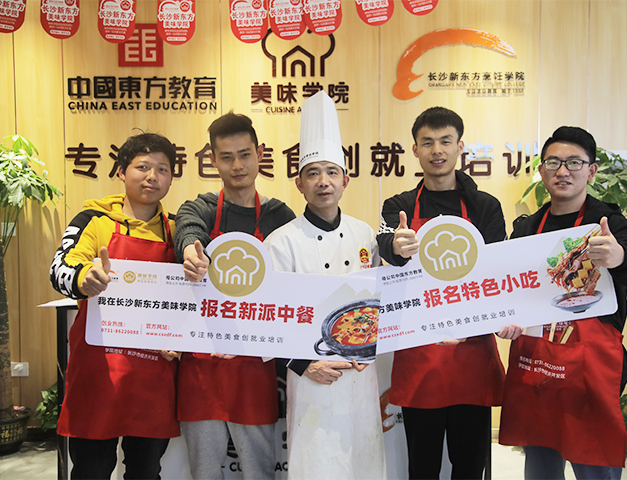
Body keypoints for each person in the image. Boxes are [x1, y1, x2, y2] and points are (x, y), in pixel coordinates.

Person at [498, 126, 627, 479]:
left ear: (591, 170)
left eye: (574, 162)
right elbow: (510, 292)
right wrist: (505, 320)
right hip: (537, 363)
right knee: (540, 463)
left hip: (590, 366)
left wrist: (619, 257)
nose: (563, 171)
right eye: (553, 162)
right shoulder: (527, 228)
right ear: (541, 171)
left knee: (594, 463)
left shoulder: (609, 224)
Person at [376, 106, 521, 480]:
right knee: (422, 466)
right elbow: (387, 247)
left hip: (471, 352)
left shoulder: (484, 206)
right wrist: (397, 246)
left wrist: (502, 318)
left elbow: (496, 270)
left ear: (460, 147)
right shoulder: (399, 206)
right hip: (420, 353)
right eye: (427, 142)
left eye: (445, 141)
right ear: (415, 150)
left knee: (470, 466)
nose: (437, 150)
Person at [264, 90, 386, 480]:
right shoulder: (281, 242)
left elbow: (376, 300)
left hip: (361, 374)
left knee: (364, 462)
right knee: (316, 464)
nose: (323, 182)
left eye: (332, 172)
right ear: (299, 183)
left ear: (345, 180)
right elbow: (270, 317)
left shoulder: (365, 234)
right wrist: (304, 364)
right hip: (311, 378)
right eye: (313, 173)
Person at [49, 132, 179, 479]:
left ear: (171, 178)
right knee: (91, 469)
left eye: (162, 169)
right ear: (121, 171)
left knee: (146, 471)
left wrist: (182, 338)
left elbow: (194, 297)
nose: (152, 177)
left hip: (153, 372)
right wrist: (84, 278)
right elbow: (60, 268)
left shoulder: (177, 230)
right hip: (99, 370)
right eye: (142, 167)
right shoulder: (93, 220)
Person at [173, 112, 296, 480]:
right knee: (204, 472)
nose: (237, 165)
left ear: (260, 154)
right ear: (213, 160)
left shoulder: (280, 216)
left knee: (259, 471)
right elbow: (188, 229)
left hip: (254, 365)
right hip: (202, 361)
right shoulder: (200, 208)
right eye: (226, 157)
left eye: (244, 154)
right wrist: (190, 251)